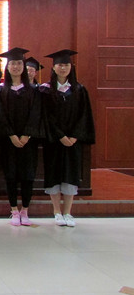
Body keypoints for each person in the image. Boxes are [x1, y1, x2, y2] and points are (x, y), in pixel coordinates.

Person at [39, 49, 95, 227]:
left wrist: (75, 136)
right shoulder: (45, 90)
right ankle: (56, 211)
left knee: (71, 174)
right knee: (54, 173)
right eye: (60, 65)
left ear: (71, 67)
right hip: (54, 141)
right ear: (53, 68)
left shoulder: (79, 90)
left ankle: (68, 212)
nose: (63, 68)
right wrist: (60, 135)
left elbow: (84, 116)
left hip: (73, 141)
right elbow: (46, 117)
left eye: (66, 65)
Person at [0, 48, 42, 226]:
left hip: (29, 141)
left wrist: (27, 134)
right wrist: (11, 134)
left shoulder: (33, 91)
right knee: (10, 175)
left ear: (23, 66)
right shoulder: (0, 90)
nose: (16, 66)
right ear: (7, 67)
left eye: (19, 63)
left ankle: (25, 210)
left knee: (28, 175)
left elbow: (36, 113)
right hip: (8, 140)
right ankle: (13, 210)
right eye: (12, 63)